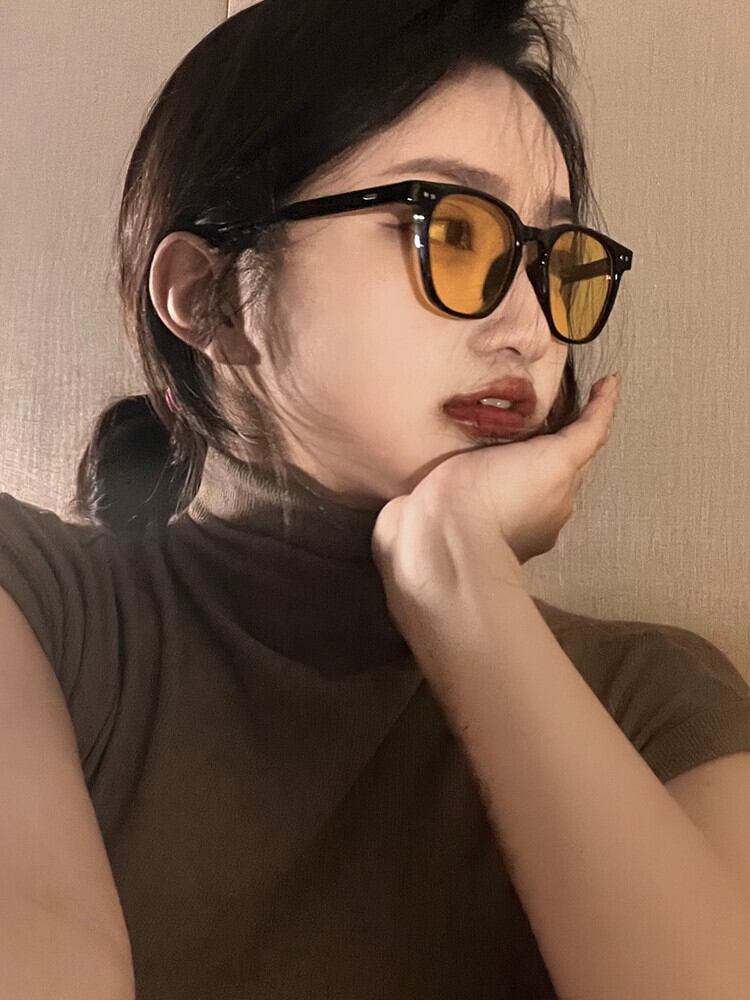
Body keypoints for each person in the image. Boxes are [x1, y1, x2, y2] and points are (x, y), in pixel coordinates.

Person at [2, 1, 749, 998]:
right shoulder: (40, 615)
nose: (531, 329)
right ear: (210, 295)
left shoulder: (655, 698)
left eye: (554, 261)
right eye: (455, 234)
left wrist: (460, 584)